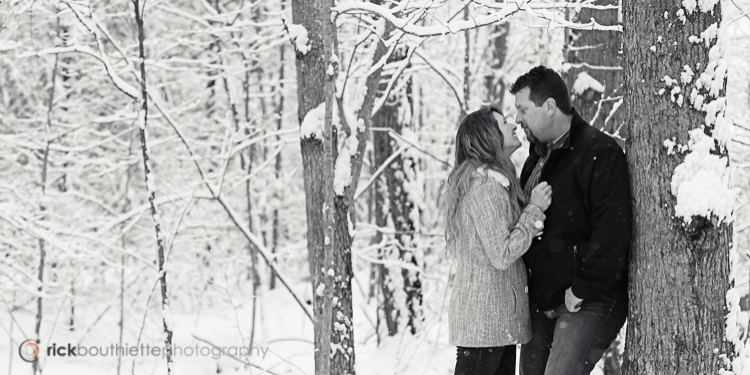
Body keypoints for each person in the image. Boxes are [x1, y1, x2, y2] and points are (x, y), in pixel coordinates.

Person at [510, 66, 632, 375]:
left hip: (588, 298)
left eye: (523, 109)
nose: (518, 120)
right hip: (543, 300)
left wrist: (582, 288)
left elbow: (612, 231)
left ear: (549, 106)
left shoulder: (599, 152)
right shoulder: (535, 161)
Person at [441, 105, 552, 375]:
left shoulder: (493, 184)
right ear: (488, 137)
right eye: (503, 123)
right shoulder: (485, 188)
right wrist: (534, 211)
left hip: (494, 326)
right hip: (484, 326)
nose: (513, 125)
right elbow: (502, 253)